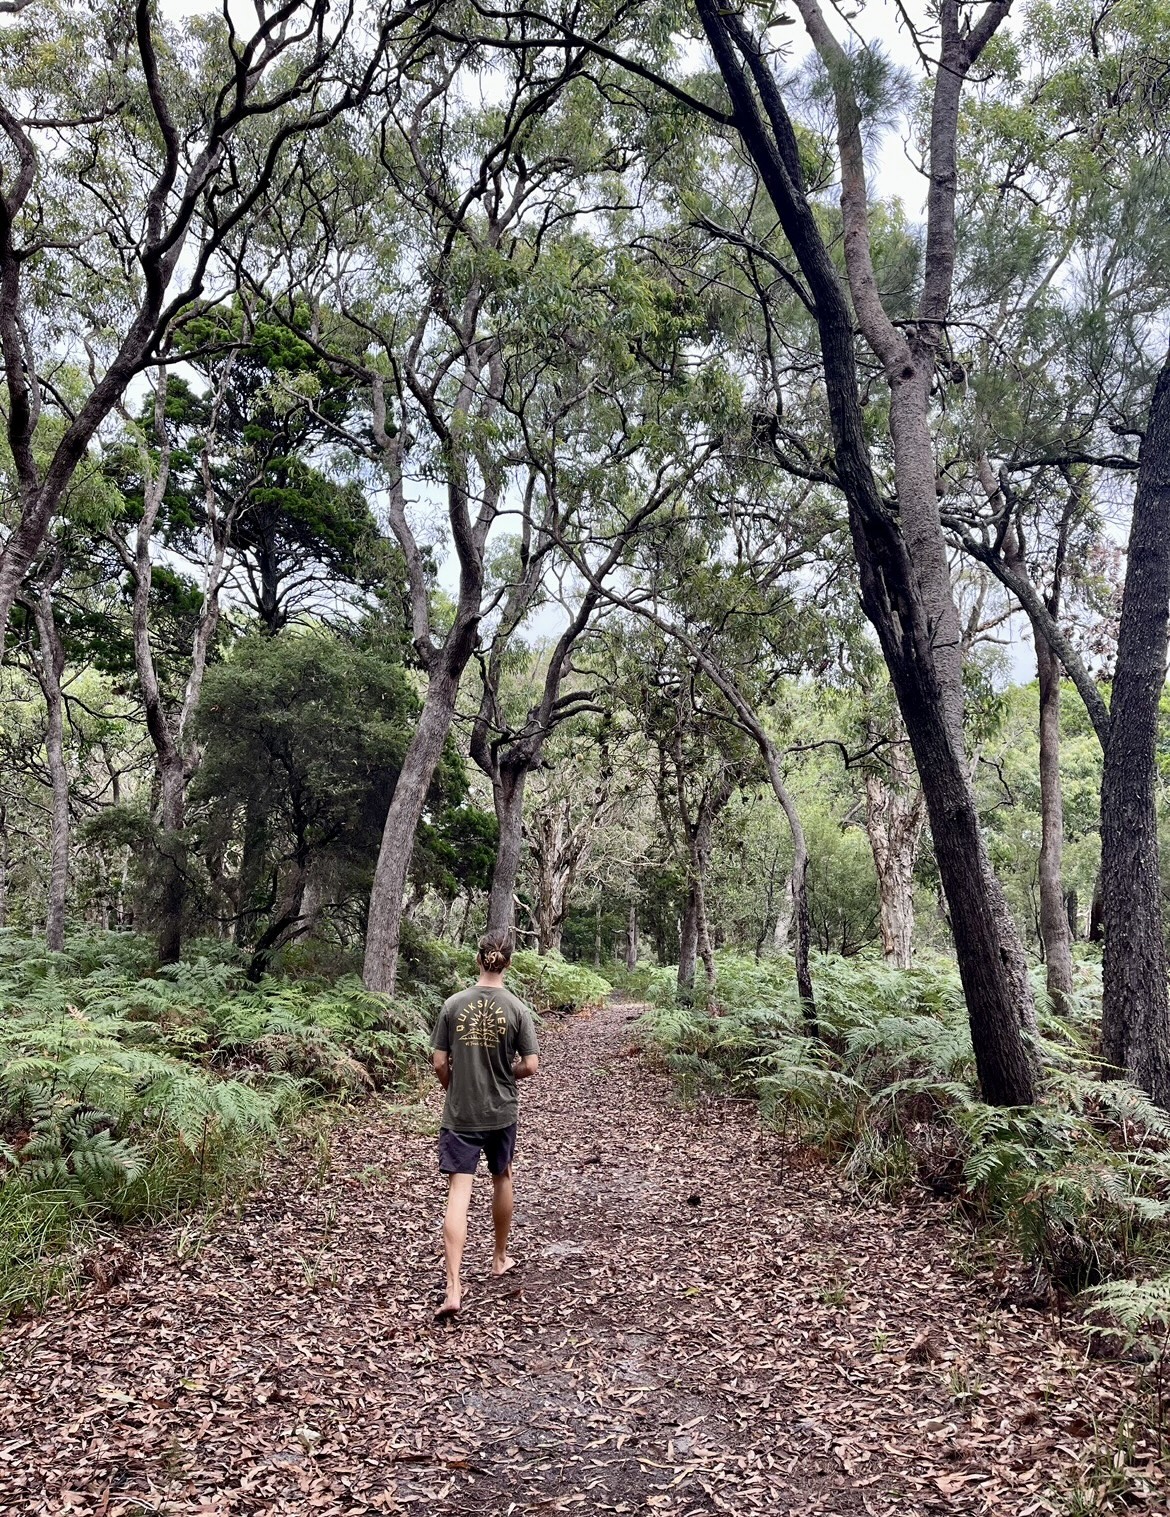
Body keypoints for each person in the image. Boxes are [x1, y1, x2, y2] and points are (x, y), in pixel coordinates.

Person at [430, 928, 539, 1320]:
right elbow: (530, 1065)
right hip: (501, 1111)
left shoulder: (452, 1004)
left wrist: (452, 1085)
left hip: (461, 1111)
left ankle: (454, 1286)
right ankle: (499, 1257)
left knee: (459, 1191)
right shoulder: (516, 1009)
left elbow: (439, 1062)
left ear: (479, 959)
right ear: (508, 962)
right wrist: (504, 1073)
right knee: (502, 1176)